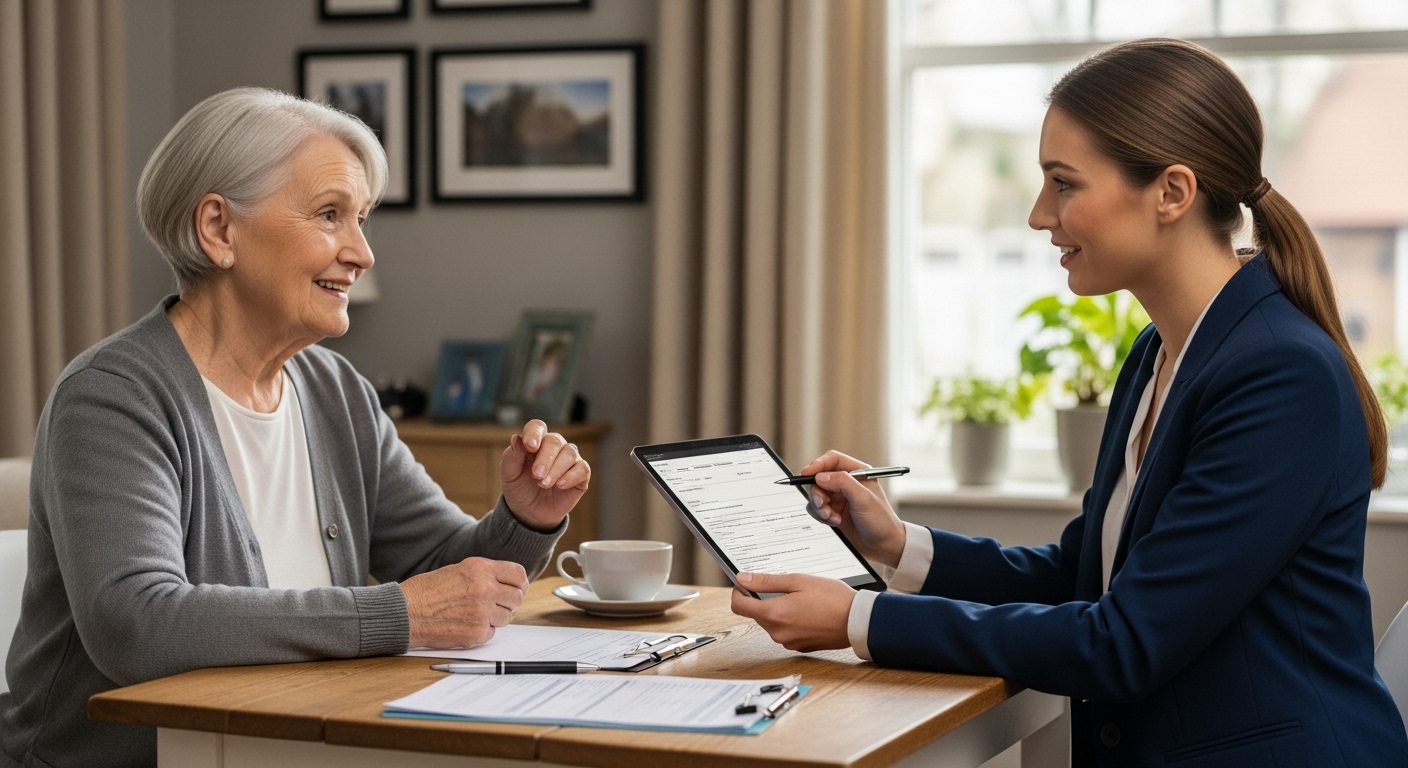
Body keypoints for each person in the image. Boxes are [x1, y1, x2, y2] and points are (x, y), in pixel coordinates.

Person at [731, 39, 1408, 767]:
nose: (1037, 215)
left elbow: (1124, 643)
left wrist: (860, 617)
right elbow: (1082, 578)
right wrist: (898, 546)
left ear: (1172, 193)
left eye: (1063, 183)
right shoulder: (1159, 353)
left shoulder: (1279, 376)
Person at [0, 87, 591, 768]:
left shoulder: (334, 390)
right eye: (331, 215)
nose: (362, 252)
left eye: (362, 219)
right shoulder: (112, 396)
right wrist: (396, 614)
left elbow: (447, 578)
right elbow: (137, 624)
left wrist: (525, 518)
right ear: (219, 230)